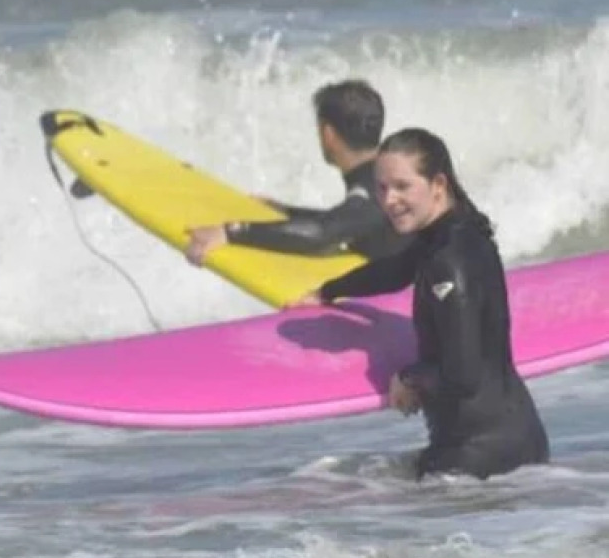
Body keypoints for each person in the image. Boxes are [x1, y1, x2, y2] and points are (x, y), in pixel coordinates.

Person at [293, 127, 549, 480]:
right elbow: (397, 270)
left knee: (332, 492)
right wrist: (327, 291)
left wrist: (408, 377)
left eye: (402, 186)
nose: (389, 199)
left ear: (438, 184)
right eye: (382, 187)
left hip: (477, 460)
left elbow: (464, 376)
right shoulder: (457, 235)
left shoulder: (449, 261)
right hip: (510, 444)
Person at [186, 79, 409, 265]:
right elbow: (346, 218)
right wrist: (287, 212)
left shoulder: (374, 193)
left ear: (328, 134)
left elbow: (319, 234)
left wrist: (231, 232)